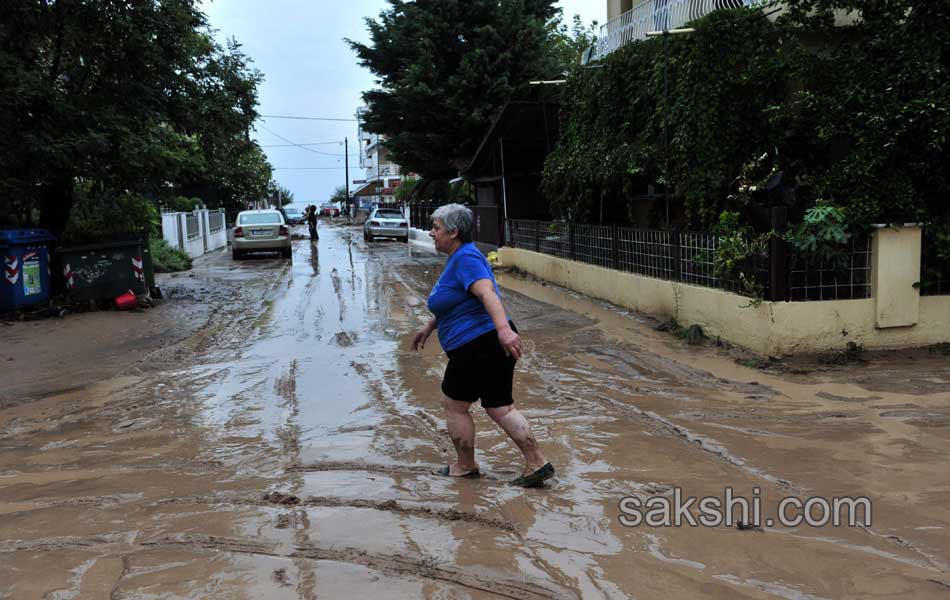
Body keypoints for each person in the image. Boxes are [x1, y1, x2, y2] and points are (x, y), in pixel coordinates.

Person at [410, 204, 555, 487]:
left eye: (436, 228)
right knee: (501, 407)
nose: (431, 233)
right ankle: (537, 462)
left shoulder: (465, 258)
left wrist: (503, 331)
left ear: (453, 232)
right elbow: (457, 302)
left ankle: (465, 466)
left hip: (478, 344)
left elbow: (488, 293)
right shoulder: (461, 257)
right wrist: (430, 326)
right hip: (487, 343)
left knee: (455, 405)